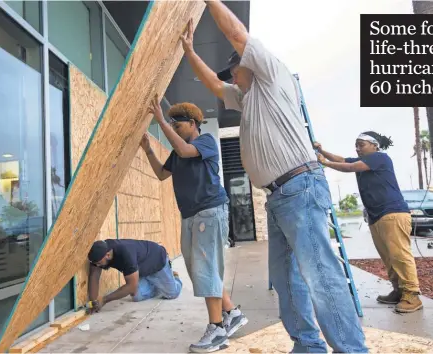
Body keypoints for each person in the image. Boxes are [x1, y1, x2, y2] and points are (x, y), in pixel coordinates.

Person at [179, 1, 368, 352]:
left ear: (248, 65)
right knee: (287, 281)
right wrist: (189, 51)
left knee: (321, 278)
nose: (231, 78)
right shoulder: (247, 97)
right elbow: (214, 86)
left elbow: (237, 35)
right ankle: (308, 346)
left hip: (300, 188)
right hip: (280, 197)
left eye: (234, 70)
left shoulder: (270, 74)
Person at [141, 96, 248, 353]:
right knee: (202, 268)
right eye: (172, 126)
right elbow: (160, 174)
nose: (174, 129)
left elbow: (185, 150)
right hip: (190, 215)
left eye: (177, 126)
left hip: (209, 212)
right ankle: (231, 313)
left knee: (205, 268)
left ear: (192, 123)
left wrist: (160, 121)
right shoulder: (178, 153)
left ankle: (217, 328)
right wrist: (147, 148)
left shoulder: (205, 142)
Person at [315, 132, 423, 313]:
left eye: (361, 144)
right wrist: (322, 151)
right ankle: (399, 291)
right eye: (356, 145)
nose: (357, 148)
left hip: (393, 213)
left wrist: (324, 163)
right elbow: (342, 160)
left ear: (375, 145)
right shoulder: (364, 160)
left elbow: (350, 167)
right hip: (377, 216)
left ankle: (412, 295)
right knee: (388, 258)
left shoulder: (379, 158)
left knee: (400, 256)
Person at [87, 239, 182, 311]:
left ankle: (175, 277)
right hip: (141, 270)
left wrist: (104, 300)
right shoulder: (100, 252)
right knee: (137, 297)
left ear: (107, 255)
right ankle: (157, 283)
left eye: (98, 263)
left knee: (171, 294)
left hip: (158, 263)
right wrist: (93, 302)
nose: (97, 266)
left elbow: (131, 287)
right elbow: (94, 275)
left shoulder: (126, 254)